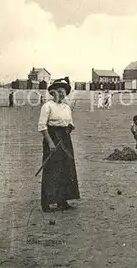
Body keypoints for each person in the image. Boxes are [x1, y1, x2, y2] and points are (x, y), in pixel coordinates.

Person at [37, 77, 79, 212]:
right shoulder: (47, 106)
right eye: (59, 91)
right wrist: (50, 142)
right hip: (52, 137)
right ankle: (46, 203)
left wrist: (69, 129)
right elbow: (42, 126)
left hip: (65, 139)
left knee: (65, 168)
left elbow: (70, 124)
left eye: (64, 92)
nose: (61, 94)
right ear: (53, 92)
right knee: (51, 169)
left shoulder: (67, 107)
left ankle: (62, 201)